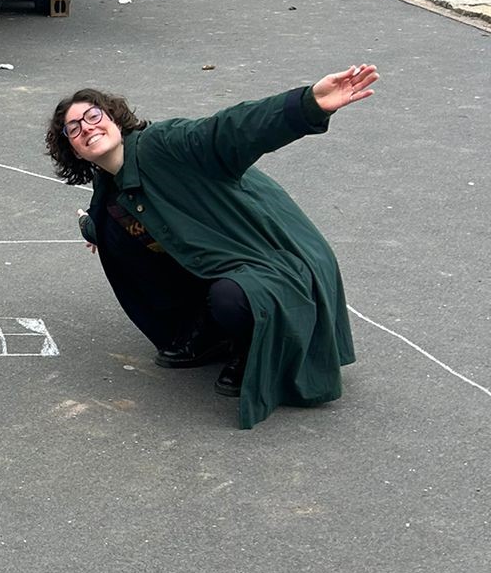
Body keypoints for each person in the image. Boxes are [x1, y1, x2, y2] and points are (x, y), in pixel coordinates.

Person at [44, 66, 378, 428]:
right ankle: (206, 331)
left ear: (115, 120)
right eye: (74, 128)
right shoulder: (109, 186)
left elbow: (232, 129)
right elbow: (108, 214)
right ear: (74, 150)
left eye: (93, 116)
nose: (87, 127)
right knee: (113, 233)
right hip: (225, 261)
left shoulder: (165, 144)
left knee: (230, 298)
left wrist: (308, 104)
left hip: (275, 257)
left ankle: (248, 347)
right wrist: (93, 230)